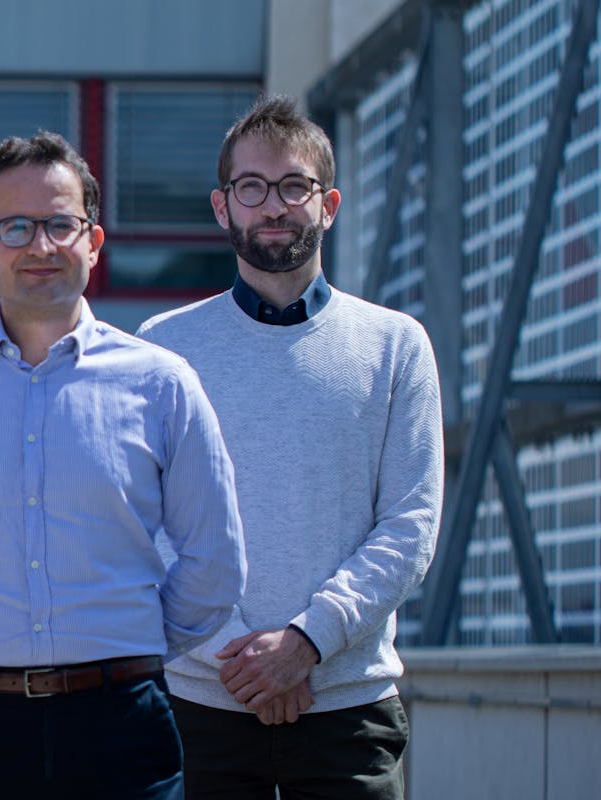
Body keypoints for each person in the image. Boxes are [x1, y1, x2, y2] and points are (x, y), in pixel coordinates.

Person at [0, 131, 247, 799]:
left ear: (94, 243)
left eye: (59, 225)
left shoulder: (162, 385)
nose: (40, 246)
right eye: (15, 227)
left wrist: (122, 645)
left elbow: (214, 562)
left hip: (120, 727)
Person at [136, 95, 441, 800]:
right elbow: (145, 525)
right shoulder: (162, 349)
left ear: (328, 203)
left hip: (347, 710)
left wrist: (304, 643)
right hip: (200, 709)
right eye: (252, 188)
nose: (273, 206)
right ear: (222, 207)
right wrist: (237, 659)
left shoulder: (395, 347)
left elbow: (411, 526)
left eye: (293, 187)